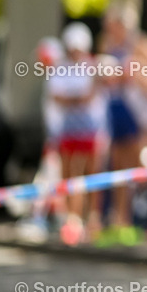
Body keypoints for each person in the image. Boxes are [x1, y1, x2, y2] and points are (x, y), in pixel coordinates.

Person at [97, 2, 147, 246]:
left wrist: (144, 78)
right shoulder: (106, 45)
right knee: (118, 168)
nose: (109, 29)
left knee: (142, 167)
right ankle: (121, 221)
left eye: (113, 25)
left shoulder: (140, 44)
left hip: (141, 115)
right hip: (117, 111)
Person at [49, 23, 105, 245]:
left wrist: (73, 99)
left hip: (90, 130)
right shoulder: (61, 68)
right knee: (71, 174)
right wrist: (77, 99)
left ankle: (92, 218)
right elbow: (60, 97)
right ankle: (72, 219)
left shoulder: (92, 66)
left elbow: (88, 96)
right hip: (69, 131)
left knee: (91, 174)